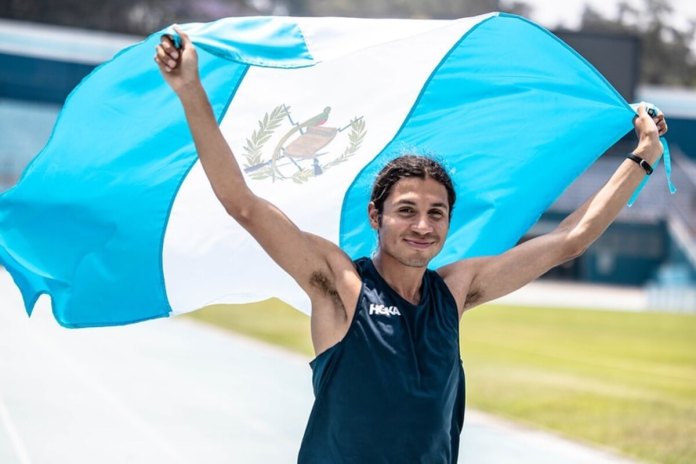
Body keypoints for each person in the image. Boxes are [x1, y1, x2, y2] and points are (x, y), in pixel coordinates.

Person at [155, 27, 667, 464]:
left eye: (436, 213)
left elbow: (567, 241)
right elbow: (243, 205)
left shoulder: (456, 290)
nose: (422, 225)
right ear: (376, 216)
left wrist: (642, 155)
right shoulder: (339, 283)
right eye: (407, 210)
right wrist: (190, 91)